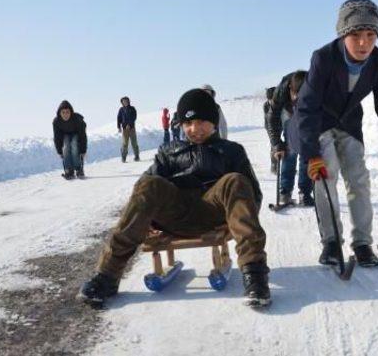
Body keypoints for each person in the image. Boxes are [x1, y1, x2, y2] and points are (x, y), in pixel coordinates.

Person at [78, 89, 270, 306]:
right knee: (147, 184)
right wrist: (148, 219)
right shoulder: (169, 152)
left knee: (235, 180)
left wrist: (235, 218)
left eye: (200, 122)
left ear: (214, 122)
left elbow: (254, 196)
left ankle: (255, 276)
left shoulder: (231, 151)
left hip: (214, 214)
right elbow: (144, 194)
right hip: (176, 215)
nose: (194, 129)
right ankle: (107, 276)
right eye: (188, 123)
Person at [297, 0, 378, 267]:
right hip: (319, 122)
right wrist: (312, 155)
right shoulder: (324, 58)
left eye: (371, 35)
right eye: (356, 35)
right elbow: (307, 107)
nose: (364, 43)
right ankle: (332, 242)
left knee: (359, 180)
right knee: (327, 176)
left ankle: (362, 243)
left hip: (349, 123)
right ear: (343, 34)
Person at [267, 71, 314, 206]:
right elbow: (272, 117)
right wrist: (276, 144)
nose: (297, 100)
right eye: (296, 97)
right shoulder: (281, 90)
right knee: (289, 150)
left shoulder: (316, 88)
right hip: (288, 113)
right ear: (290, 90)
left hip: (307, 114)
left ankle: (304, 193)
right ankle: (285, 193)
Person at [52, 100, 87, 179]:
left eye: (67, 112)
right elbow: (57, 137)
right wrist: (59, 151)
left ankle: (78, 169)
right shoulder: (56, 121)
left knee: (74, 144)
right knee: (66, 146)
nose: (65, 115)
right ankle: (69, 170)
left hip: (77, 133)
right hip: (65, 134)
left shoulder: (77, 120)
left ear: (71, 112)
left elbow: (83, 136)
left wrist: (83, 150)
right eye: (63, 112)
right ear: (59, 113)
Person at [117, 96, 140, 162]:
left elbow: (134, 117)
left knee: (134, 143)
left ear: (128, 101)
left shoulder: (132, 108)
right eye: (123, 101)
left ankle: (137, 156)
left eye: (126, 101)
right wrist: (119, 127)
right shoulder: (121, 110)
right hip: (124, 129)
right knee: (124, 144)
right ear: (122, 102)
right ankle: (123, 158)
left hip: (132, 128)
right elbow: (119, 118)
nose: (125, 102)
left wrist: (129, 124)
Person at [263, 87, 278, 174]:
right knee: (274, 146)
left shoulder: (279, 102)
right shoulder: (266, 105)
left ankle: (285, 166)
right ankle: (274, 165)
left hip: (280, 125)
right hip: (270, 127)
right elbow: (268, 120)